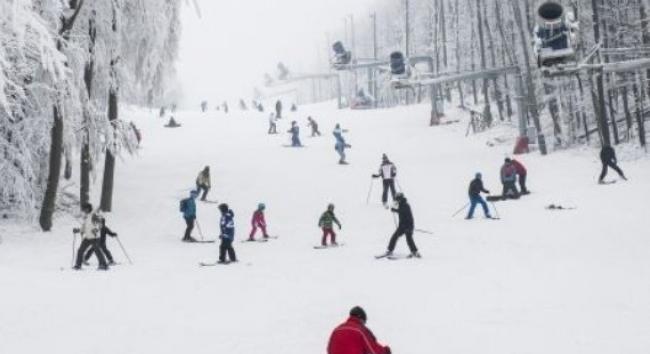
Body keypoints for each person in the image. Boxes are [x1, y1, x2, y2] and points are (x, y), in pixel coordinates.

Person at [382, 193, 420, 258]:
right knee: (394, 237)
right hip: (402, 226)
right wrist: (394, 210)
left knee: (409, 239)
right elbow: (400, 211)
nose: (396, 200)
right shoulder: (401, 204)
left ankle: (414, 252)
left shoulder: (406, 205)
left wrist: (395, 210)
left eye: (397, 199)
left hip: (408, 226)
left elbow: (402, 212)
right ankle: (390, 250)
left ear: (400, 198)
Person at [74, 203, 108, 270]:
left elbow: (100, 224)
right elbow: (84, 226)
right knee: (80, 250)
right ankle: (78, 265)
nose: (84, 211)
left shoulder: (94, 215)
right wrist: (78, 230)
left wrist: (96, 229)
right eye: (83, 209)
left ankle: (103, 265)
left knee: (97, 250)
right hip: (88, 237)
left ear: (88, 208)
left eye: (85, 209)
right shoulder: (87, 217)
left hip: (95, 237)